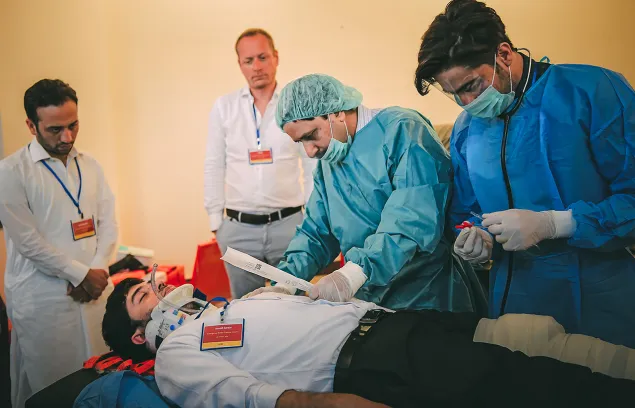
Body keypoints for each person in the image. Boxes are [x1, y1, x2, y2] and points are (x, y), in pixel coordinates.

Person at [414, 0, 635, 347]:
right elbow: (468, 211)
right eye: (453, 94)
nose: (467, 103)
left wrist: (555, 224)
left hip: (601, 294)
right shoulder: (467, 130)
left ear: (503, 54)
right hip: (518, 299)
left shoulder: (591, 92)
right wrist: (479, 238)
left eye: (471, 85)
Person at [101, 278, 635, 408]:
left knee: (530, 342)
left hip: (393, 324)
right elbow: (247, 396)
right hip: (373, 361)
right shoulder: (174, 355)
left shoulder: (231, 306)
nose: (160, 288)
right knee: (530, 381)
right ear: (138, 335)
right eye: (143, 295)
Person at [247, 73, 486, 313]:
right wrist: (285, 283)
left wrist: (355, 273)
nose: (309, 151)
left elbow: (412, 218)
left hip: (426, 293)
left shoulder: (402, 130)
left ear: (337, 113)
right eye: (301, 142)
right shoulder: (330, 162)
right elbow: (316, 233)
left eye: (311, 136)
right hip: (368, 299)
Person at [0, 79, 118, 407]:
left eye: (73, 125)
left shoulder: (90, 165)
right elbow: (28, 242)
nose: (67, 137)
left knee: (100, 374)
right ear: (31, 125)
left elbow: (109, 223)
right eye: (55, 129)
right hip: (43, 298)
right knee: (52, 386)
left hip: (94, 290)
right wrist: (79, 274)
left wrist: (97, 270)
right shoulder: (11, 172)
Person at [204, 28, 317, 299]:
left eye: (263, 57)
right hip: (238, 230)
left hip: (289, 226)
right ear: (240, 64)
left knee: (295, 305)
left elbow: (311, 161)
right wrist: (217, 223)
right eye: (249, 60)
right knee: (245, 309)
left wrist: (312, 217)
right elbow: (214, 164)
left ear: (276, 57)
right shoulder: (224, 107)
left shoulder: (295, 104)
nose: (257, 67)